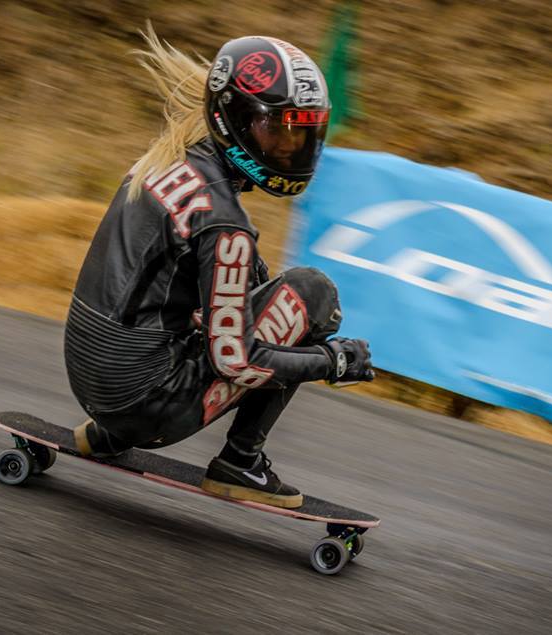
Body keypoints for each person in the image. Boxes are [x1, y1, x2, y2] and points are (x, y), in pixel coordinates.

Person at [64, 29, 375, 509]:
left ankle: (108, 434)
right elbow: (237, 361)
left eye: (303, 133)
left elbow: (156, 286)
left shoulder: (160, 161)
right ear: (234, 118)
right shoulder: (226, 223)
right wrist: (333, 362)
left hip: (90, 379)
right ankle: (240, 461)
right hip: (145, 408)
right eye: (279, 130)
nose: (292, 148)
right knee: (312, 294)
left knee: (250, 288)